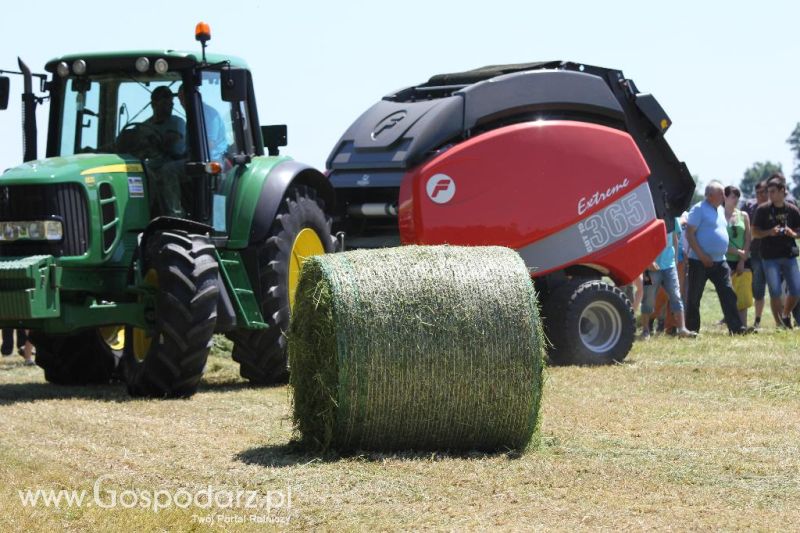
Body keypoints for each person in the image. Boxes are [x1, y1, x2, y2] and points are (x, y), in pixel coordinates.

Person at [684, 181, 751, 334]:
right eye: (721, 193)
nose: (724, 196)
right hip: (699, 261)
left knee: (728, 293)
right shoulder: (698, 209)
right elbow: (689, 234)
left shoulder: (720, 210)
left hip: (720, 261)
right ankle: (692, 329)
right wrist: (702, 255)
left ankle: (736, 328)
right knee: (694, 296)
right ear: (710, 195)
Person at [751, 178, 800, 328]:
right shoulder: (762, 210)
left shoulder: (792, 209)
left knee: (796, 290)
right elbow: (755, 232)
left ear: (782, 191)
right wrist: (769, 232)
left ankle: (785, 315)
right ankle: (780, 325)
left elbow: (799, 231)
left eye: (772, 192)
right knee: (775, 292)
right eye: (768, 192)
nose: (769, 195)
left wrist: (792, 233)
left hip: (789, 255)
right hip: (769, 257)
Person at [639, 217, 697, 339]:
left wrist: (675, 259)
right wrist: (648, 261)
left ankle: (682, 329)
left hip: (669, 265)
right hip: (651, 267)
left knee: (676, 295)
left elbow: (675, 238)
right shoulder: (648, 216)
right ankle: (645, 330)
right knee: (648, 298)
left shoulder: (673, 218)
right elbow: (642, 240)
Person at [142, 86, 187, 217]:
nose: (170, 106)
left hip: (173, 161)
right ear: (153, 104)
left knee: (167, 170)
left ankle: (175, 214)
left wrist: (152, 142)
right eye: (165, 103)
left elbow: (171, 142)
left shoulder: (177, 122)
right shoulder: (145, 126)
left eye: (171, 103)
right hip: (150, 164)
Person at [177, 84, 227, 164]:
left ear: (195, 97)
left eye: (183, 98)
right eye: (180, 99)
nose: (181, 103)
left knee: (168, 169)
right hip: (198, 158)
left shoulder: (208, 114)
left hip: (213, 160)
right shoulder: (193, 116)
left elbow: (208, 144)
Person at [724, 185, 752, 326]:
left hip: (742, 260)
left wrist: (742, 258)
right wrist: (736, 252)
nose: (736, 200)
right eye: (733, 197)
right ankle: (733, 324)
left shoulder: (744, 215)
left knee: (744, 292)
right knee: (729, 294)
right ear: (725, 197)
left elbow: (748, 238)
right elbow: (720, 241)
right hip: (725, 260)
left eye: (737, 197)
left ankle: (743, 325)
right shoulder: (719, 216)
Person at [742, 179, 769, 328]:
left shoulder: (773, 209)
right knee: (751, 288)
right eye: (757, 192)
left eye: (763, 192)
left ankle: (757, 321)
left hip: (770, 254)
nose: (760, 195)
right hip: (752, 253)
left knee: (764, 289)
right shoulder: (749, 206)